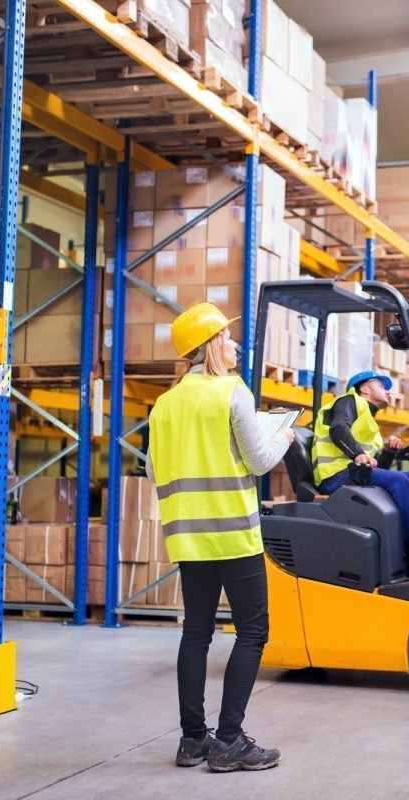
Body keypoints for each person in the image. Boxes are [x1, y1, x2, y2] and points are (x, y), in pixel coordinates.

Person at [146, 303, 294, 773]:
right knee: (253, 631)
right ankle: (229, 740)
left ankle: (193, 741)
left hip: (188, 537)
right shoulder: (232, 392)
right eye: (227, 338)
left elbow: (152, 470)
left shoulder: (164, 405)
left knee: (196, 633)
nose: (234, 344)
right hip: (232, 534)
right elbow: (259, 460)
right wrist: (284, 438)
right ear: (210, 345)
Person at [311, 370, 409, 575]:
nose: (388, 391)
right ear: (364, 389)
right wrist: (357, 454)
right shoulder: (349, 401)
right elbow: (338, 428)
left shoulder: (369, 423)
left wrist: (389, 451)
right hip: (335, 476)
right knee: (399, 480)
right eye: (382, 386)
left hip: (354, 473)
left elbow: (378, 468)